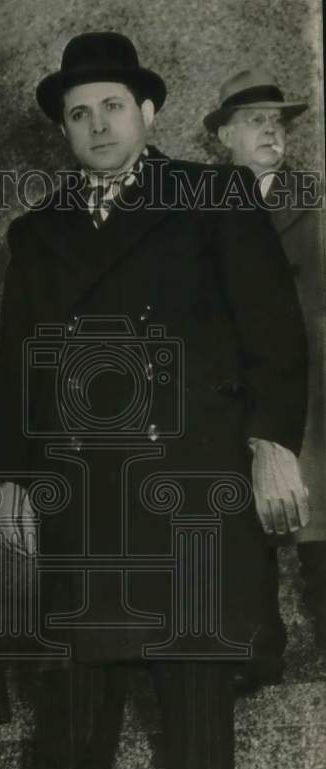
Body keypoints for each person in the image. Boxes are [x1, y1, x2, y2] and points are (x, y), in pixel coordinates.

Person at [0, 32, 308, 769]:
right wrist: (10, 483)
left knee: (192, 664)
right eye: (77, 113)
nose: (96, 123)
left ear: (148, 112)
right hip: (83, 483)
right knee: (78, 676)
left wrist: (272, 443)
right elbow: (17, 372)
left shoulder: (212, 195)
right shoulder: (36, 234)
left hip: (191, 467)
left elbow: (274, 335)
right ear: (64, 131)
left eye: (111, 105)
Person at [206, 67, 326, 677]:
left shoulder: (315, 198)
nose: (271, 132)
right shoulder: (200, 210)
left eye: (277, 122)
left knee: (320, 530)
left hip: (320, 391)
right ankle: (259, 659)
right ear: (223, 135)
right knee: (247, 531)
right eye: (255, 121)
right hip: (245, 393)